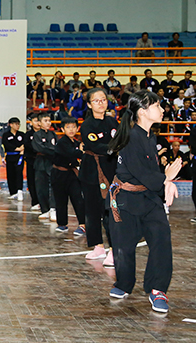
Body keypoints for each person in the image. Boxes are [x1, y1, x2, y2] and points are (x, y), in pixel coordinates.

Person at [107, 89, 181, 313]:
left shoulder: (151, 136)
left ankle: (157, 289)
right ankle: (124, 283)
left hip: (148, 198)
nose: (161, 109)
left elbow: (151, 174)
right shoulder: (130, 138)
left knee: (161, 240)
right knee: (123, 247)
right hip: (126, 200)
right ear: (142, 111)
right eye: (157, 106)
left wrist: (165, 182)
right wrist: (166, 178)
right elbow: (142, 172)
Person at [79, 88, 119, 267]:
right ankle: (98, 246)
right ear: (89, 104)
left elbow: (120, 140)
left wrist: (113, 148)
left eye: (103, 99)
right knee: (92, 211)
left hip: (111, 170)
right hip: (91, 172)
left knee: (110, 211)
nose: (101, 103)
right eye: (96, 100)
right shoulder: (87, 125)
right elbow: (94, 145)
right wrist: (111, 148)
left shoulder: (113, 122)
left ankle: (113, 249)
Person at [52, 116, 85, 234]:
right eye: (68, 127)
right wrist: (80, 152)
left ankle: (83, 224)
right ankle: (62, 224)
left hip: (72, 174)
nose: (71, 129)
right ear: (62, 129)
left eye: (73, 127)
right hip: (59, 174)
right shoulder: (61, 142)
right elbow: (72, 154)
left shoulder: (77, 142)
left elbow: (81, 156)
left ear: (77, 128)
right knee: (60, 199)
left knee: (78, 199)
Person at [32, 113, 57, 221]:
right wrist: (52, 150)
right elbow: (40, 148)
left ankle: (53, 209)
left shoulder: (53, 134)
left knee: (53, 187)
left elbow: (56, 147)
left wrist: (52, 150)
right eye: (45, 120)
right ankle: (45, 210)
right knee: (41, 188)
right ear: (40, 123)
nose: (48, 123)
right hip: (40, 163)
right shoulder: (36, 135)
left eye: (49, 120)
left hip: (51, 163)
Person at [2, 117, 25, 201]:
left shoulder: (22, 134)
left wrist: (22, 149)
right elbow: (6, 144)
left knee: (19, 173)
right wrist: (17, 148)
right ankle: (13, 192)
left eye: (18, 124)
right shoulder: (6, 135)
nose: (17, 126)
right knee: (11, 174)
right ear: (11, 125)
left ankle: (19, 191)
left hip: (19, 157)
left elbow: (24, 143)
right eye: (15, 124)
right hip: (10, 156)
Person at [24, 113, 40, 210]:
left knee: (42, 182)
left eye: (39, 120)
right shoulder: (28, 135)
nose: (38, 123)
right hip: (31, 161)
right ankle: (35, 201)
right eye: (35, 121)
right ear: (31, 122)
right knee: (32, 181)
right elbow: (29, 146)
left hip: (42, 161)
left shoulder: (45, 134)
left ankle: (43, 202)